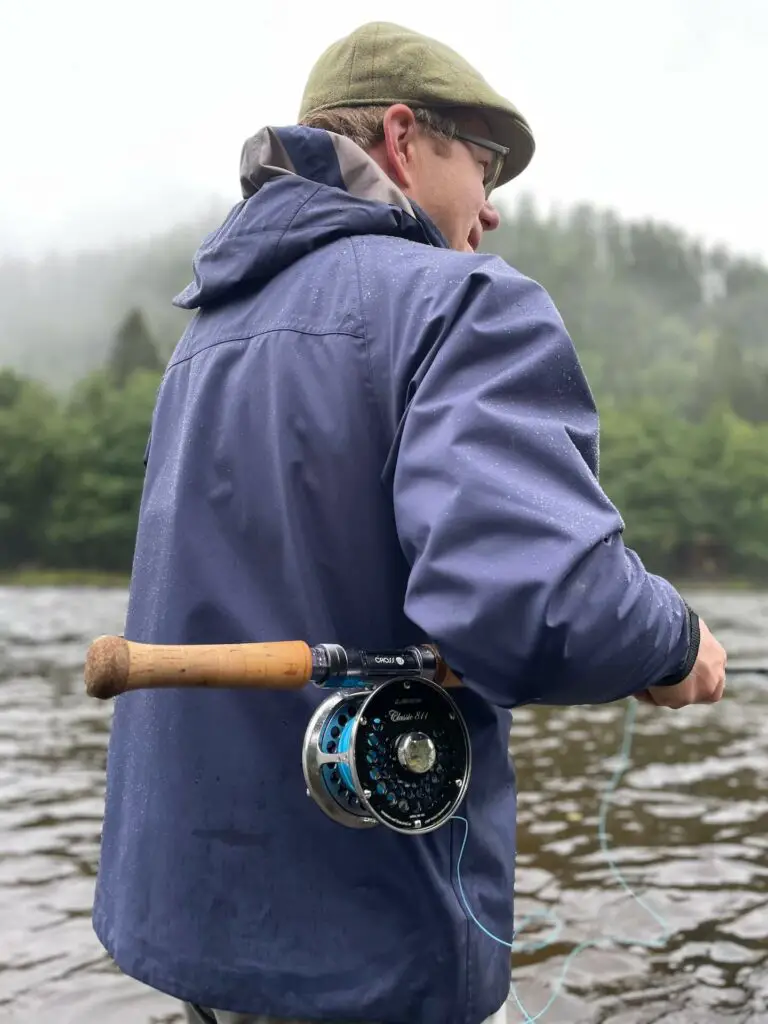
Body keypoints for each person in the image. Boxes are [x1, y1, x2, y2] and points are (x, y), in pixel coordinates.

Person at [91, 20, 727, 1024]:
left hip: (190, 943)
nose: (494, 208)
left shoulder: (206, 339)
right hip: (373, 955)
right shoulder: (463, 303)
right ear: (401, 138)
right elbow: (539, 603)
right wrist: (671, 640)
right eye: (482, 162)